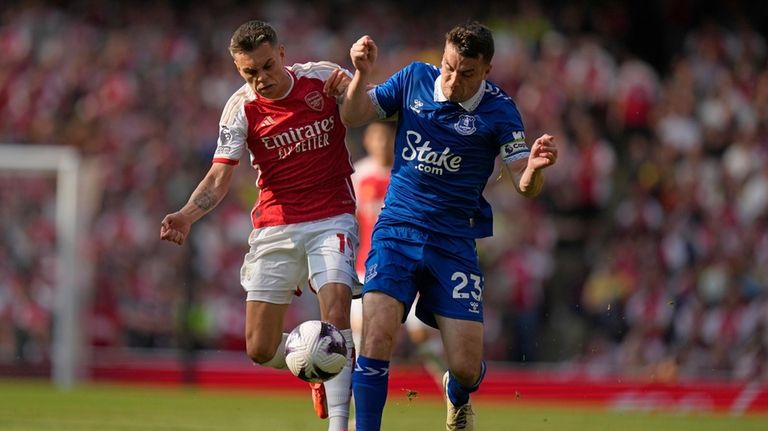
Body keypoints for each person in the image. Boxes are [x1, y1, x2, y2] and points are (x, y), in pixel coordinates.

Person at [341, 22, 558, 431]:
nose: (453, 79)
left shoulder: (500, 111)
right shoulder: (413, 79)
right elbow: (352, 113)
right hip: (397, 229)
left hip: (454, 241)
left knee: (464, 367)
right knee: (376, 338)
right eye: (448, 66)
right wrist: (360, 75)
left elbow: (523, 184)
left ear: (487, 70)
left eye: (466, 73)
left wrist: (533, 168)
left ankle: (456, 395)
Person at [160, 20, 358, 431]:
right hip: (276, 226)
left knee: (336, 302)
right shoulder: (240, 108)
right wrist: (185, 215)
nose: (262, 78)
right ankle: (315, 364)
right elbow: (219, 176)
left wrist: (359, 82)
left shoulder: (322, 78)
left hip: (331, 214)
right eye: (250, 72)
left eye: (267, 66)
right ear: (239, 70)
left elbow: (365, 110)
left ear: (282, 53)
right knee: (260, 348)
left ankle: (340, 425)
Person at [350, 122, 445, 386]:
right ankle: (358, 405)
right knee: (364, 333)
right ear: (368, 139)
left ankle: (452, 392)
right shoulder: (358, 176)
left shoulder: (409, 173)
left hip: (408, 266)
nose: (382, 142)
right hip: (368, 265)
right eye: (376, 136)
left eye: (387, 136)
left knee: (421, 335)